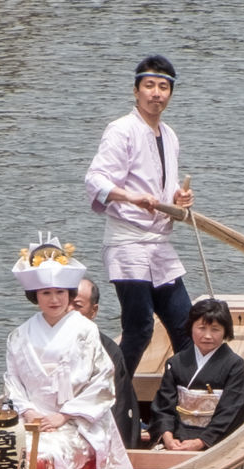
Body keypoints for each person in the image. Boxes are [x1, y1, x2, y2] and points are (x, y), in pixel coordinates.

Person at [84, 54, 195, 378]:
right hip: (128, 243)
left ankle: (182, 401)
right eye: (149, 86)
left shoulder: (170, 136)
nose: (156, 93)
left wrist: (179, 197)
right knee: (140, 328)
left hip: (159, 245)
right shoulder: (121, 130)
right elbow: (96, 179)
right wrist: (131, 196)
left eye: (163, 87)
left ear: (171, 93)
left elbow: (162, 183)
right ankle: (114, 398)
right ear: (136, 91)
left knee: (185, 327)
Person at [3, 236, 137, 469]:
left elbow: (102, 382)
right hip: (33, 420)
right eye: (46, 293)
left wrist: (63, 416)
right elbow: (13, 382)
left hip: (78, 421)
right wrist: (29, 412)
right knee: (9, 448)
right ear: (35, 296)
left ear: (70, 294)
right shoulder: (20, 335)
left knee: (46, 453)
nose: (54, 300)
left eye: (60, 293)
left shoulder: (85, 330)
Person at [149, 298, 244, 452]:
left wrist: (201, 441)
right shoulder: (175, 362)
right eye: (201, 328)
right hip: (178, 434)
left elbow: (232, 410)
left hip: (216, 437)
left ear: (225, 331)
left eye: (215, 329)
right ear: (191, 328)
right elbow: (164, 405)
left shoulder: (234, 365)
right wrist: (168, 437)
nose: (207, 335)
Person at [70, 277, 142, 448]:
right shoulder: (43, 343)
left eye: (78, 306)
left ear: (93, 311)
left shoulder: (109, 352)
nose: (70, 310)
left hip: (92, 426)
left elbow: (118, 404)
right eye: (67, 303)